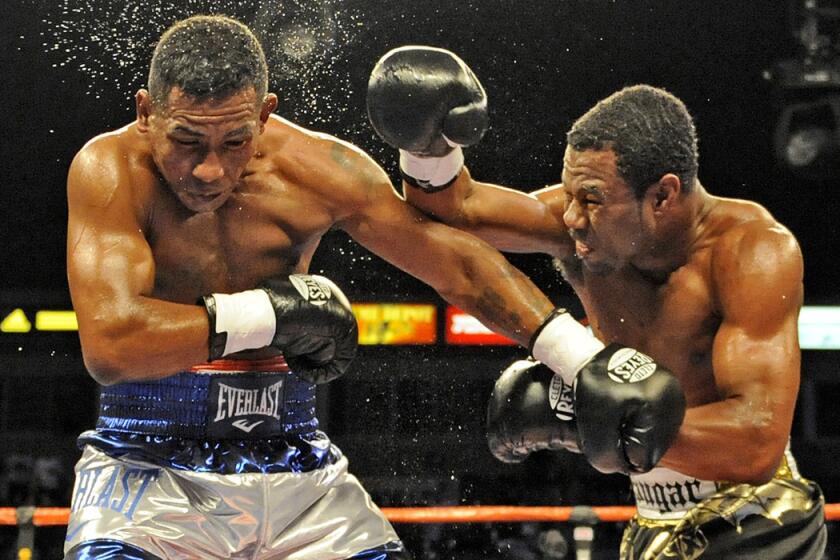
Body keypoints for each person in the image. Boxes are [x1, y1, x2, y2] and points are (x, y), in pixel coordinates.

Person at [62, 16, 686, 560]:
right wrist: (270, 315)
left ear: (265, 115)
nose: (208, 169)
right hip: (144, 462)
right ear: (147, 114)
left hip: (295, 464)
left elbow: (454, 264)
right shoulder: (109, 171)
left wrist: (579, 359)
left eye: (235, 142)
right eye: (186, 141)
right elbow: (111, 346)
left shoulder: (319, 171)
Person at [367, 46, 827, 558]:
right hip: (653, 515)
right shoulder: (583, 231)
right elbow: (457, 211)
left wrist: (573, 423)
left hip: (757, 518)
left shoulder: (751, 253)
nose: (570, 217)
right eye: (567, 194)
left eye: (591, 198)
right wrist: (427, 145)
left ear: (662, 196)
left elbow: (756, 443)